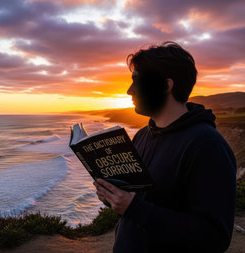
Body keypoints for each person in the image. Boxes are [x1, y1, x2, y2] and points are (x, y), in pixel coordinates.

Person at [93, 41, 236, 252]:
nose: (129, 91)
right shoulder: (142, 136)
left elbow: (214, 237)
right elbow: (137, 202)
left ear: (167, 85)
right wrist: (113, 197)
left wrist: (134, 208)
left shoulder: (207, 146)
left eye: (138, 81)